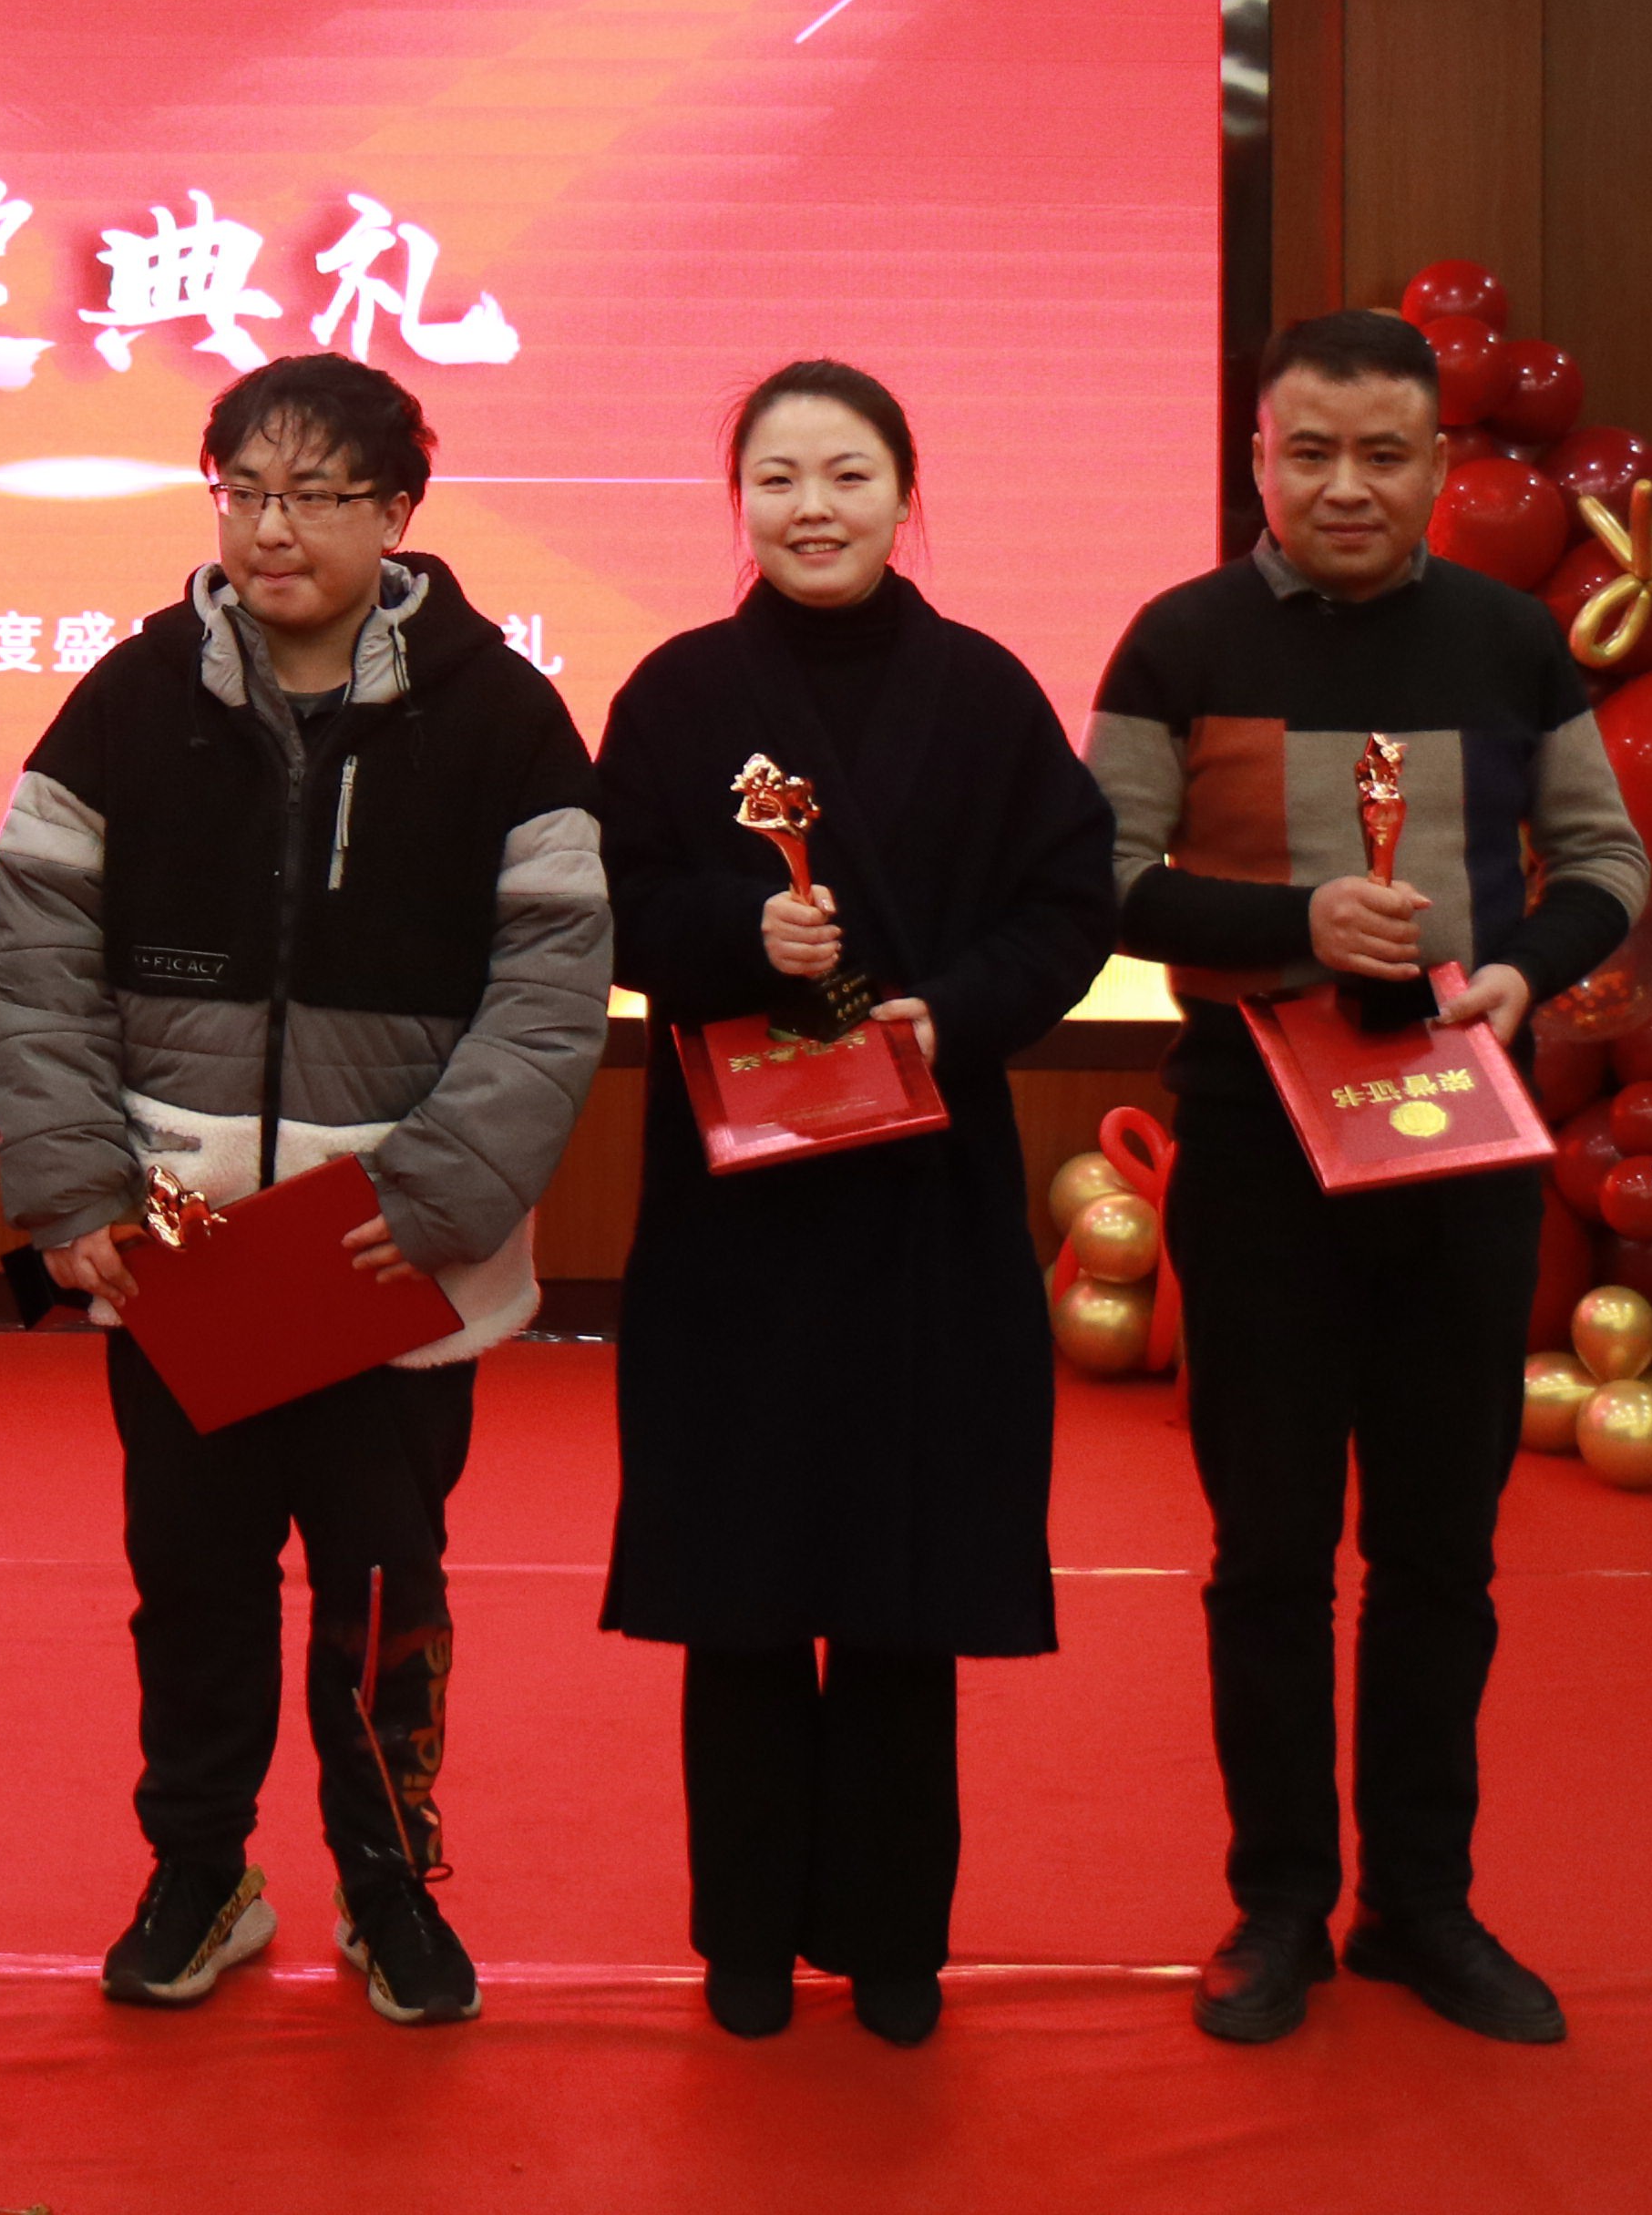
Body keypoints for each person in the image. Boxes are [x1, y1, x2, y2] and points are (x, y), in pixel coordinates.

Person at [0, 350, 610, 2029]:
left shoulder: (501, 714)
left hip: (390, 1260)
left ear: (398, 512)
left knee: (384, 1592)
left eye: (317, 494)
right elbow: (32, 962)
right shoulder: (127, 702)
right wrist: (74, 1188)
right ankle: (200, 1870)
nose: (273, 527)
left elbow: (554, 986)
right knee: (192, 1585)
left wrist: (435, 1197)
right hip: (181, 1249)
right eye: (245, 490)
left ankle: (391, 1886)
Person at [1089, 306, 1648, 2050]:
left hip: (1461, 1141)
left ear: (1435, 467)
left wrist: (1523, 976)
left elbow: (1606, 862)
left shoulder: (1507, 639)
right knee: (1267, 1549)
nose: (1347, 486)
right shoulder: (1180, 640)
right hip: (1257, 1145)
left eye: (1385, 455)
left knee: (1439, 1550)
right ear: (1258, 457)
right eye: (1311, 452)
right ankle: (1275, 1907)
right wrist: (1297, 927)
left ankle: (1421, 1902)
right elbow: (1101, 878)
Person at [593, 361, 1120, 2046]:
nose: (811, 508)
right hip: (736, 1209)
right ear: (737, 502)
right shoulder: (678, 694)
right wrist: (734, 937)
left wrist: (951, 1011)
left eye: (846, 475)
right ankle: (745, 1936)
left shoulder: (985, 692)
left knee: (906, 1588)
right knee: (741, 1587)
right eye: (777, 478)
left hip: (924, 1198)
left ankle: (896, 1941)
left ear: (906, 494)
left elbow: (1071, 900)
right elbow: (606, 901)